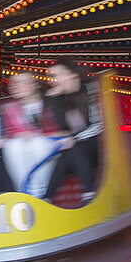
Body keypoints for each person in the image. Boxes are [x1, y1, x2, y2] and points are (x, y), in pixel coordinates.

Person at [44, 59, 102, 203]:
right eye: (52, 76)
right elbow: (64, 127)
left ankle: (88, 193)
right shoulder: (63, 98)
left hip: (100, 144)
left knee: (74, 148)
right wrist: (55, 100)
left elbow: (98, 126)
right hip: (79, 148)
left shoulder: (91, 89)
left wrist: (73, 138)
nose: (54, 80)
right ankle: (47, 198)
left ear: (72, 75)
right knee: (68, 152)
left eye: (58, 75)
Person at [0, 72, 63, 197]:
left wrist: (37, 134)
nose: (16, 87)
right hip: (24, 146)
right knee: (12, 146)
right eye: (13, 83)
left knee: (37, 144)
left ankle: (43, 192)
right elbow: (11, 132)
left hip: (49, 143)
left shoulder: (49, 103)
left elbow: (58, 127)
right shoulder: (10, 108)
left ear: (34, 85)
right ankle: (24, 191)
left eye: (21, 83)